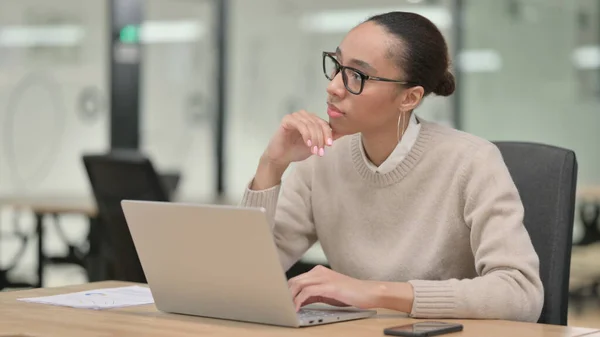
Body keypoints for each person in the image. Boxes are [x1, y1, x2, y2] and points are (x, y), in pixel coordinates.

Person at [240, 11, 543, 322]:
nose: (333, 87)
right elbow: (243, 278)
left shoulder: (472, 161)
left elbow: (520, 293)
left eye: (357, 76)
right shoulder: (321, 159)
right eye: (337, 66)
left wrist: (376, 292)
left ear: (409, 98)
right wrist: (272, 165)